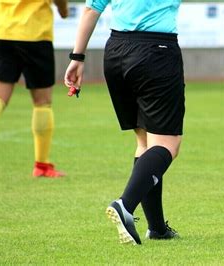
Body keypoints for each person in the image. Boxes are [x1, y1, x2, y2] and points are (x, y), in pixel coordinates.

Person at [64, 0, 185, 245]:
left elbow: (91, 8)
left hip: (116, 52)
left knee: (144, 141)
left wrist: (77, 56)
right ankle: (125, 205)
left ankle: (158, 228)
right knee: (167, 145)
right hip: (156, 51)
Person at [0, 0, 68, 178]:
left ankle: (42, 166)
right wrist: (63, 10)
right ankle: (42, 165)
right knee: (42, 102)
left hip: (3, 30)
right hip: (34, 34)